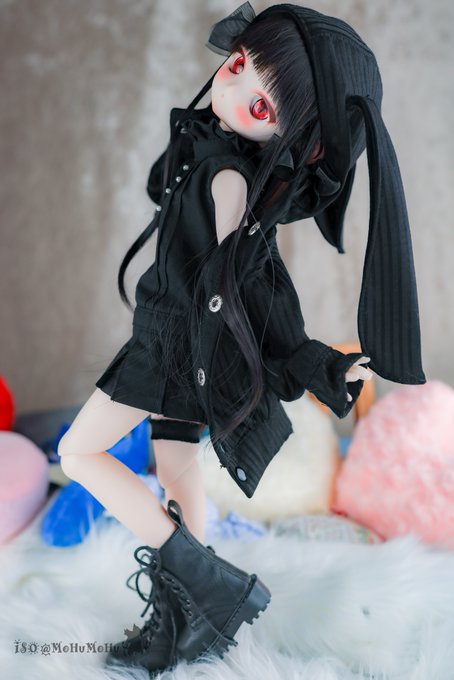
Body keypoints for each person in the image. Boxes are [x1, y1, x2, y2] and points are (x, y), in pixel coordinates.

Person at [57, 2, 426, 676]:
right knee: (176, 469)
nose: (231, 89)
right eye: (236, 65)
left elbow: (251, 285)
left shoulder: (229, 179)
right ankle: (184, 620)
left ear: (301, 141)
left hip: (170, 346)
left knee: (76, 453)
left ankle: (207, 584)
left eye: (260, 104)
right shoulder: (213, 152)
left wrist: (312, 363)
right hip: (173, 336)